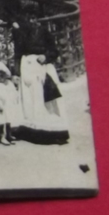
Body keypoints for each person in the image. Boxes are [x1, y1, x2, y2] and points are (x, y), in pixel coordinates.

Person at [13, 16, 69, 144]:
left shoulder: (44, 32)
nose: (32, 22)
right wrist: (16, 73)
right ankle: (32, 131)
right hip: (26, 67)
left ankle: (51, 131)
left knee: (44, 98)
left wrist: (46, 56)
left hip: (41, 67)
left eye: (34, 19)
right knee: (28, 100)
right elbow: (17, 53)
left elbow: (54, 51)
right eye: (29, 19)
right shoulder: (21, 33)